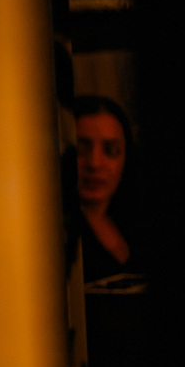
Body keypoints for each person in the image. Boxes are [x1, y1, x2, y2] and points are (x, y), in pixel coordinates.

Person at [74, 95, 142, 282]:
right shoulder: (50, 235)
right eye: (80, 149)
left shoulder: (137, 220)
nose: (94, 163)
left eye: (111, 150)